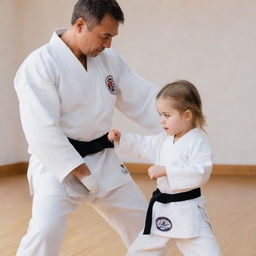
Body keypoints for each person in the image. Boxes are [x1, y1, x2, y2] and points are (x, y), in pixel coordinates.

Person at [14, 0, 162, 255]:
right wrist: (80, 171)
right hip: (57, 166)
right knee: (45, 232)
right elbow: (41, 130)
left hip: (103, 160)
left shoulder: (110, 61)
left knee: (145, 229)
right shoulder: (40, 64)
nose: (108, 44)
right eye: (104, 36)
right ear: (80, 25)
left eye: (112, 37)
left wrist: (181, 125)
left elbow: (144, 99)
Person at [108, 80, 222, 256]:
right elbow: (144, 145)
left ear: (187, 115)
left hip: (187, 211)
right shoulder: (165, 139)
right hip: (162, 209)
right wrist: (122, 138)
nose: (161, 121)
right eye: (160, 115)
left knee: (207, 252)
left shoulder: (198, 141)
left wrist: (167, 171)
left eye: (167, 115)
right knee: (142, 250)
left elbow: (201, 172)